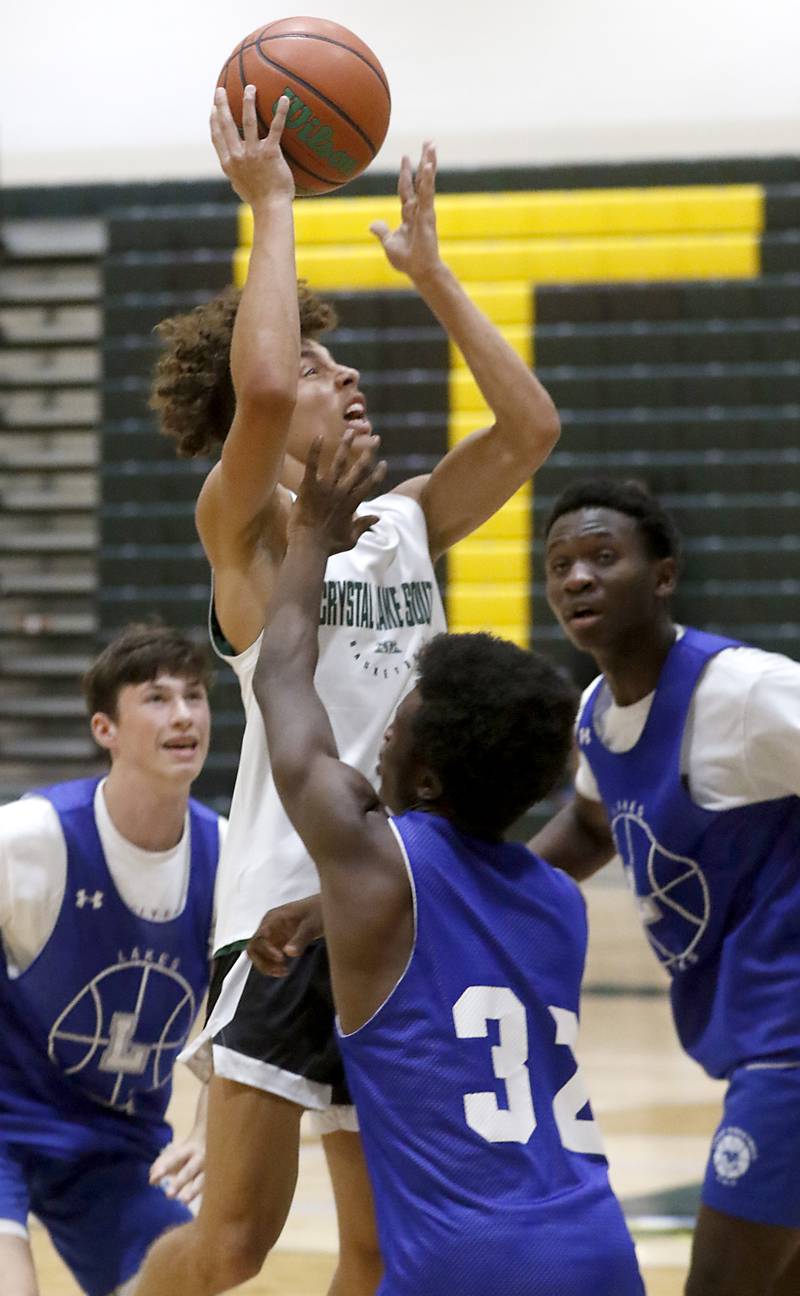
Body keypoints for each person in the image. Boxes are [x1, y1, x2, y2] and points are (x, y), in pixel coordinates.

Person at [135, 79, 562, 1296]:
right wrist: (273, 203)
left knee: (381, 1249)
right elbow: (260, 395)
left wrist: (432, 273)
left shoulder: (401, 523)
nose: (342, 378)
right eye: (318, 365)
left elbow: (529, 429)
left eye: (340, 362)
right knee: (231, 1245)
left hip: (394, 903)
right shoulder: (245, 529)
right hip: (282, 912)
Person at [244, 433, 645, 1296]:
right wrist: (326, 907)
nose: (387, 723)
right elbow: (457, 911)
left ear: (425, 770)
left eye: (404, 716)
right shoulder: (558, 900)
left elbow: (280, 677)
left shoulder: (369, 858)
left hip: (468, 1265)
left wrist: (313, 534)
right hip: (599, 1249)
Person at [532, 478, 800, 1296]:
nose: (577, 577)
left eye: (603, 557)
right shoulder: (596, 714)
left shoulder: (745, 692)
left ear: (663, 577)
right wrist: (465, 889)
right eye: (561, 564)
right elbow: (587, 827)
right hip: (755, 1043)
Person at [0, 623, 224, 1296]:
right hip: (4, 1121)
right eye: (156, 699)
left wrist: (213, 1128)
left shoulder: (231, 858)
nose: (184, 714)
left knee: (190, 1279)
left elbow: (248, 1018)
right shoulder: (29, 839)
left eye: (194, 696)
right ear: (106, 729)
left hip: (115, 1142)